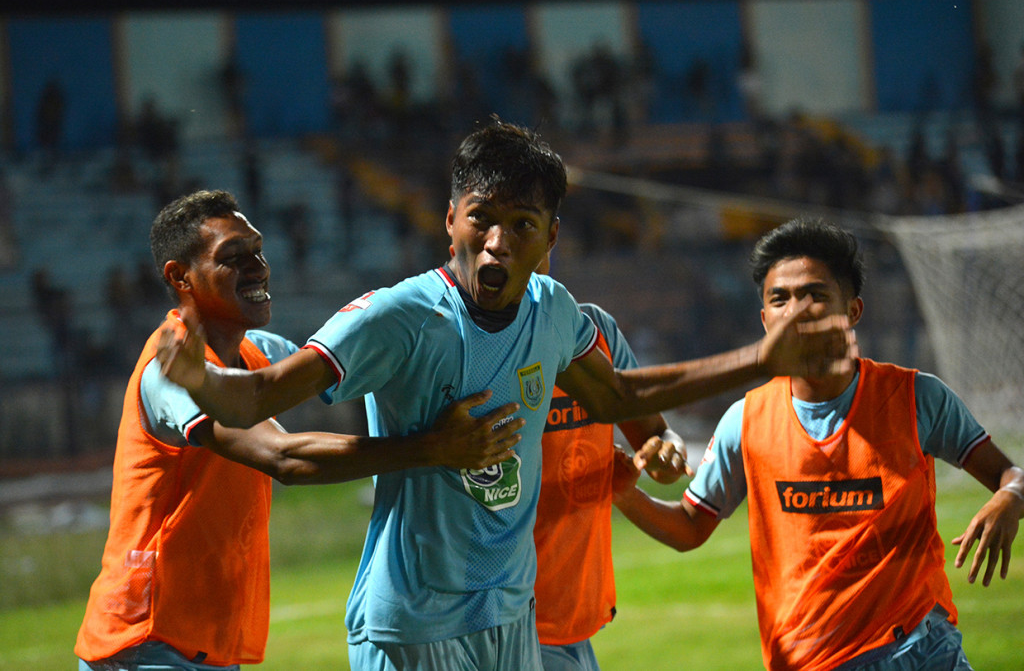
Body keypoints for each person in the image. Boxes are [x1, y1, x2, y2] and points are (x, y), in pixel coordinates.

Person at [156, 122, 856, 670]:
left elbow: (615, 395)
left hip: (510, 617)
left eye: (521, 224)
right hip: (413, 625)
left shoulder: (554, 310)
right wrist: (198, 379)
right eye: (481, 219)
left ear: (550, 236)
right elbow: (263, 400)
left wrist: (761, 359)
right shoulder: (398, 316)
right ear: (450, 217)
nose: (496, 244)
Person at [75, 190, 523, 671]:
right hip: (145, 644)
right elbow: (283, 457)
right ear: (179, 277)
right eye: (233, 257)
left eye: (258, 250)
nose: (258, 267)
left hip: (200, 645)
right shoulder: (172, 373)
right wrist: (433, 449)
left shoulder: (257, 352)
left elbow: (356, 366)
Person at [614, 218, 1024, 671]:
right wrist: (622, 493)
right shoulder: (745, 421)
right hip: (808, 662)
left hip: (919, 651)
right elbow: (690, 526)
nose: (796, 310)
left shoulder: (916, 397)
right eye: (780, 299)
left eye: (815, 295)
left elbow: (1011, 474)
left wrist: (1010, 496)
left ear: (853, 311)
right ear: (765, 318)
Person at [533, 251, 691, 671]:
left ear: (551, 236)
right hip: (509, 622)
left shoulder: (595, 330)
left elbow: (655, 432)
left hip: (577, 618)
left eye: (527, 226)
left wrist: (664, 452)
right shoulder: (476, 345)